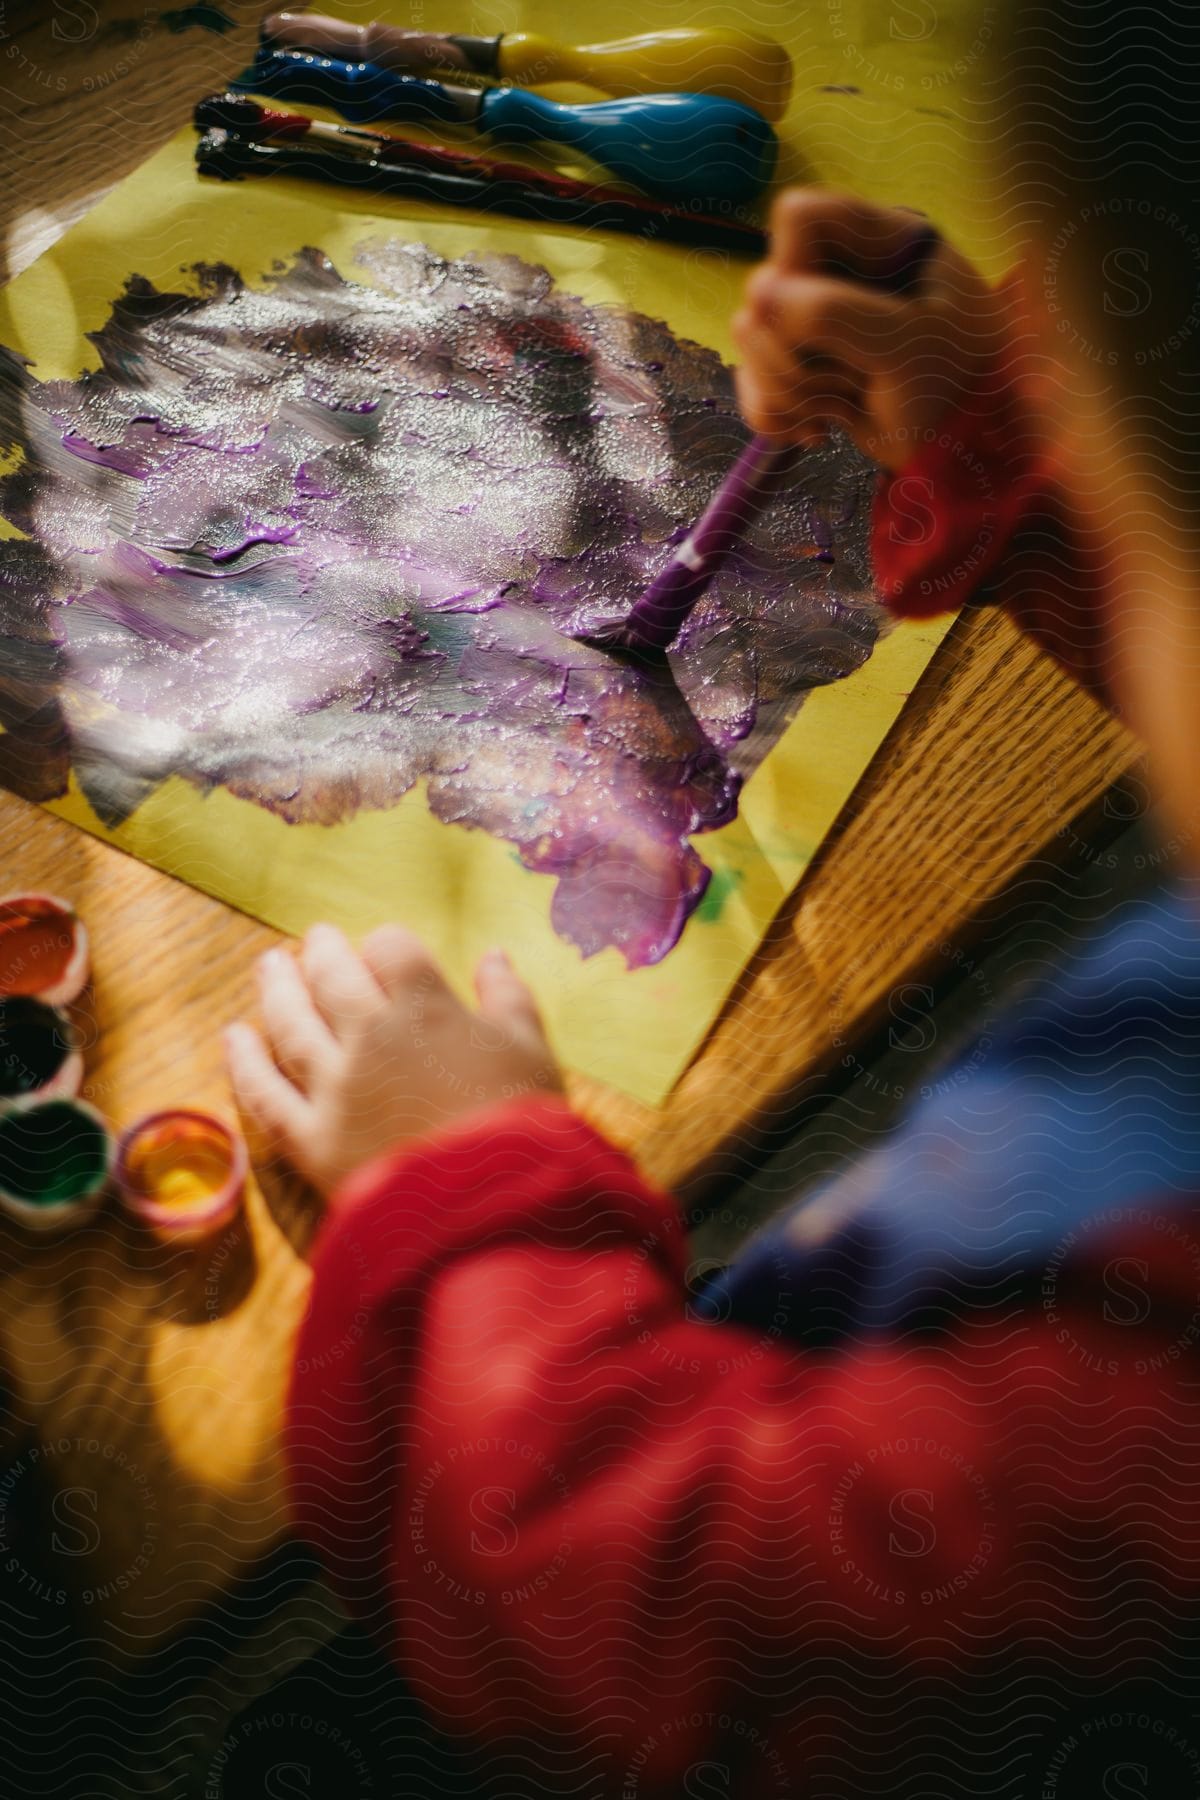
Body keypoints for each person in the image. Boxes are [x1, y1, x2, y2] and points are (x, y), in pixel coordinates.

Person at [225, 7, 1200, 1792]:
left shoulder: (1125, 1457)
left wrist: (464, 1187)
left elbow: (669, 1621)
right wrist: (1005, 439)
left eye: (1147, 475)